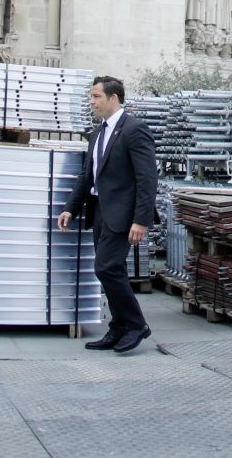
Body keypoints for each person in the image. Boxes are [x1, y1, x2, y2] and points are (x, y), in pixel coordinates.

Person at [59, 77, 158, 354]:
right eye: (91, 96)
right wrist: (71, 207)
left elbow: (147, 179)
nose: (91, 101)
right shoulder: (98, 132)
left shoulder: (134, 130)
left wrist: (141, 220)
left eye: (96, 96)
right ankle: (118, 327)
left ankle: (136, 324)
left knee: (106, 267)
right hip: (100, 211)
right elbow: (86, 175)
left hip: (123, 214)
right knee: (107, 270)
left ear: (113, 98)